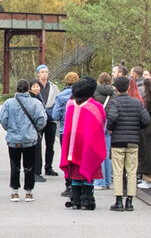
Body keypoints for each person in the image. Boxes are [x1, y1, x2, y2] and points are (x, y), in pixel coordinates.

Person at [59, 76, 106, 210]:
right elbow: (100, 125)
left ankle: (75, 200)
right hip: (88, 145)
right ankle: (87, 200)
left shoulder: (70, 104)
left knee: (75, 172)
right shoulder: (95, 106)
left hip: (72, 146)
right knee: (88, 169)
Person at [106, 75, 151, 210]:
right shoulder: (137, 103)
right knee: (132, 171)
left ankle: (119, 200)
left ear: (116, 88)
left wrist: (110, 127)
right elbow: (146, 120)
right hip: (133, 141)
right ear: (129, 87)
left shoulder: (115, 102)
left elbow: (113, 116)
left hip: (118, 141)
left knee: (118, 171)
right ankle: (130, 201)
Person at [0, 78, 46, 202]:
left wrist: (9, 128)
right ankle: (29, 192)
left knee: (14, 166)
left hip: (14, 139)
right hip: (29, 138)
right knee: (29, 166)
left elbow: (3, 119)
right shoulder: (35, 103)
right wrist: (36, 129)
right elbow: (42, 119)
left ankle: (15, 192)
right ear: (28, 89)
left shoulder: (9, 103)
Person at [32, 65, 61, 178]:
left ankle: (48, 167)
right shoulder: (34, 86)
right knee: (37, 144)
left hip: (50, 120)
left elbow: (57, 101)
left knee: (50, 145)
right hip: (38, 120)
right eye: (42, 72)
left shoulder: (53, 87)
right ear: (38, 74)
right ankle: (37, 168)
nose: (44, 74)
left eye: (46, 72)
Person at [93, 73, 116, 190]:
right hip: (110, 122)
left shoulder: (95, 92)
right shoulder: (114, 93)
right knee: (107, 151)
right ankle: (107, 181)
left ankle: (99, 181)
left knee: (98, 151)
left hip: (98, 122)